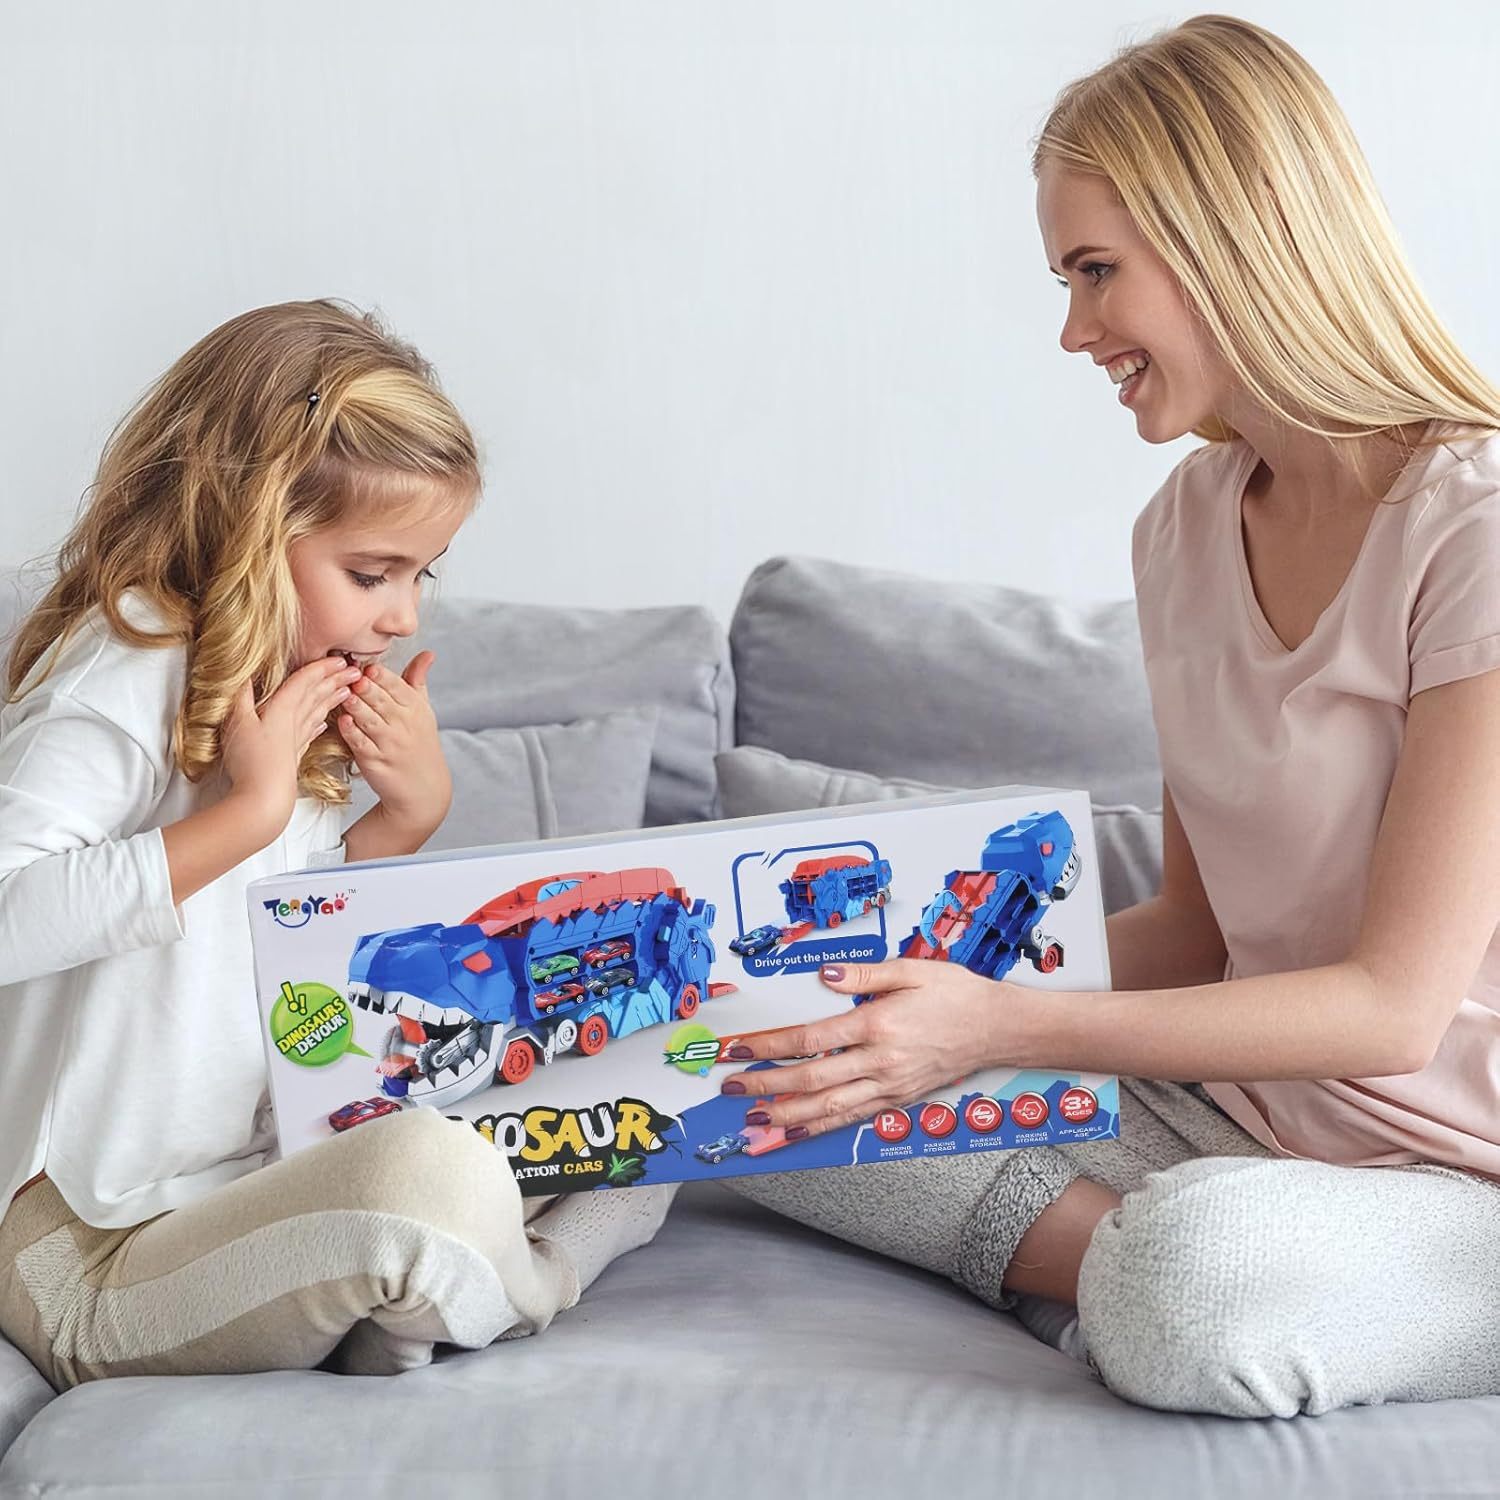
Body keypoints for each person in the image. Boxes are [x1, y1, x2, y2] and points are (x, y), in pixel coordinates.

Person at [719, 15, 1500, 1419]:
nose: (1075, 332)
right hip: (1230, 1124)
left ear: (1233, 239)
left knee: (1193, 1284)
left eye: (1095, 273)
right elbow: (1194, 932)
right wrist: (899, 1002)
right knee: (754, 1084)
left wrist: (998, 1027)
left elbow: (1393, 1011)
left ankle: (1115, 1272)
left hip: (1452, 1179)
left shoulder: (1475, 529)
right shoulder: (1183, 528)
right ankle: (1117, 1266)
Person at [0, 300, 672, 1389]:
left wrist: (402, 823)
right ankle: (505, 1283)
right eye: (372, 574)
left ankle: (406, 1290)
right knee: (428, 1178)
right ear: (248, 530)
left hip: (251, 1188)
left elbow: (275, 964)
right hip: (86, 1245)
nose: (404, 616)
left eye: (421, 574)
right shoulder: (123, 666)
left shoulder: (288, 687)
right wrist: (247, 813)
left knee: (649, 1090)